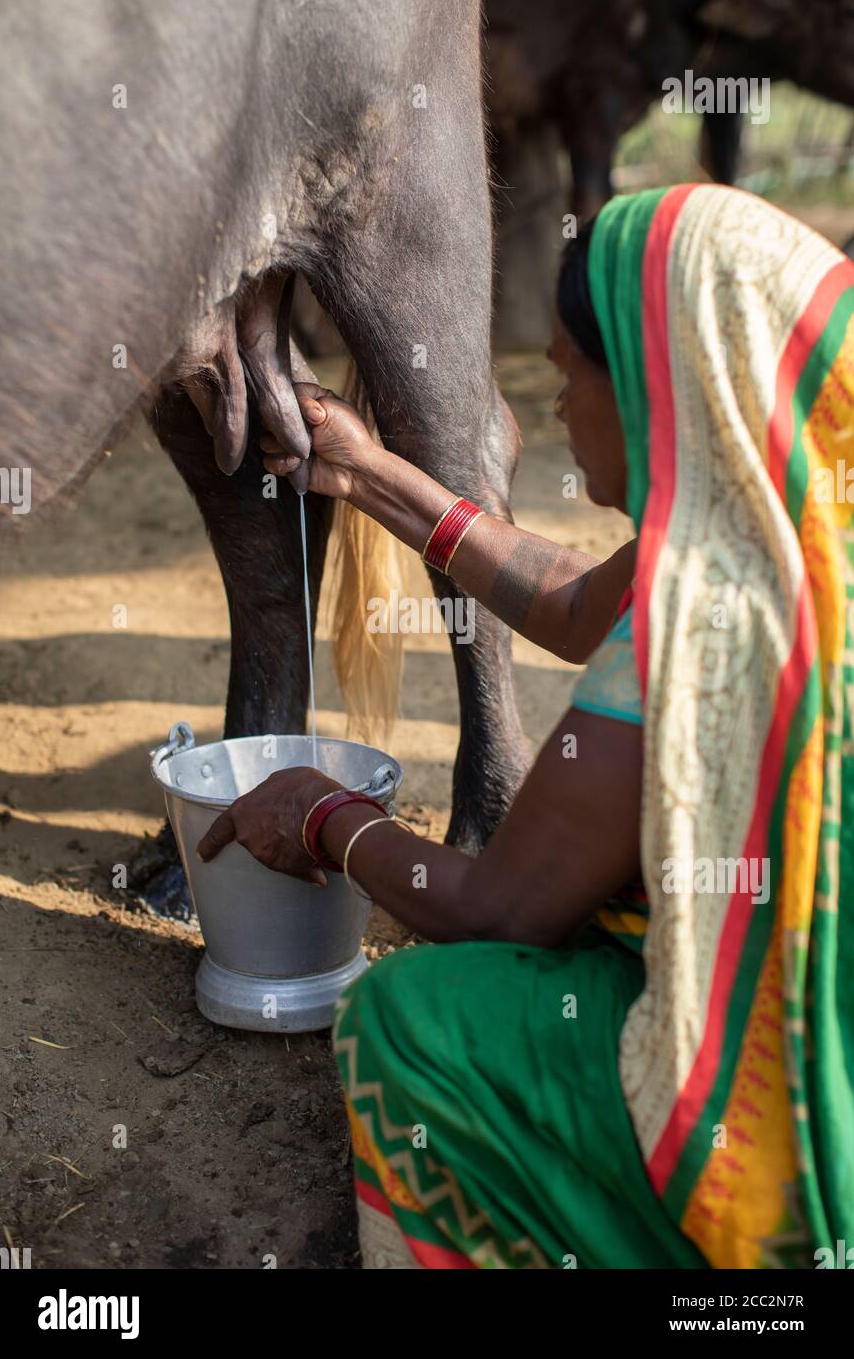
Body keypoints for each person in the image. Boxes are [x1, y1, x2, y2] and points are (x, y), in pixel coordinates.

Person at [197, 184, 854, 1269]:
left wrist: (324, 818)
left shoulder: (696, 621)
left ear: (655, 388)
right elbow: (563, 599)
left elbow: (503, 908)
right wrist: (369, 473)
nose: (550, 408)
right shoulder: (802, 521)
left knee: (408, 1021)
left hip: (776, 1137)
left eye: (563, 374)